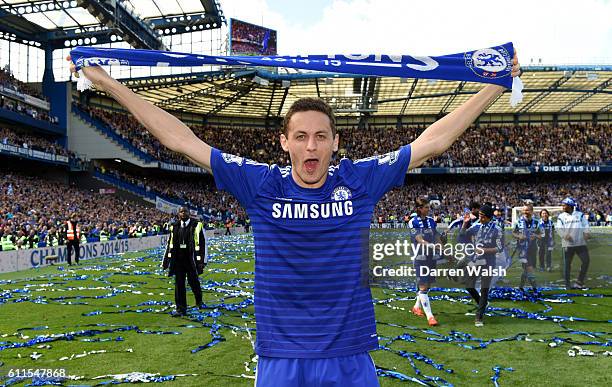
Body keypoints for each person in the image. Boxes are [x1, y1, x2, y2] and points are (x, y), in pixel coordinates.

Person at [69, 51, 519, 387]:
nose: (311, 147)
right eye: (300, 137)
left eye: (320, 137)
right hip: (281, 358)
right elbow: (180, 139)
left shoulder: (359, 180)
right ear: (284, 143)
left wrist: (494, 84)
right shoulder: (262, 184)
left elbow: (432, 142)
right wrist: (109, 84)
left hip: (350, 355)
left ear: (335, 142)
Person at [459, 204, 503, 327]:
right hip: (476, 261)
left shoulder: (497, 229)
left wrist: (484, 250)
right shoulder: (476, 226)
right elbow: (462, 237)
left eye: (482, 216)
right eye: (479, 215)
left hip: (489, 263)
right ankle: (482, 303)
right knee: (468, 285)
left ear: (488, 217)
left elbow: (499, 248)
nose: (480, 218)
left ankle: (479, 316)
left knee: (484, 289)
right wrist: (464, 223)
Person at [162, 207, 207, 316]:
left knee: (194, 282)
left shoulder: (197, 225)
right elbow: (170, 244)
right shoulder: (174, 226)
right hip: (178, 260)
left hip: (191, 259)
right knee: (179, 284)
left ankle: (199, 301)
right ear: (178, 214)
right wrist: (166, 261)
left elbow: (203, 244)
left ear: (189, 213)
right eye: (181, 212)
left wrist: (202, 261)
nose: (183, 213)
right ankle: (181, 308)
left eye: (185, 211)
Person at [409, 198, 441, 326]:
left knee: (427, 286)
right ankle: (430, 317)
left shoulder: (432, 221)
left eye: (428, 207)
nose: (428, 209)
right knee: (423, 286)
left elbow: (437, 236)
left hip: (431, 257)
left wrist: (441, 246)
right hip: (420, 257)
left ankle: (417, 307)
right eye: (426, 207)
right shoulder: (413, 222)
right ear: (419, 208)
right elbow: (418, 238)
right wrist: (431, 245)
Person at [556, 197, 590, 289]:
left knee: (586, 261)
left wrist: (586, 232)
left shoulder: (580, 214)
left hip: (580, 243)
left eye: (564, 205)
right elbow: (558, 228)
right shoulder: (561, 216)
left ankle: (579, 281)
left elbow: (585, 224)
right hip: (568, 244)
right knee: (567, 265)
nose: (562, 207)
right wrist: (564, 235)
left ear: (570, 206)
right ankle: (567, 285)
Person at [512, 204, 541, 291]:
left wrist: (535, 235)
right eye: (524, 210)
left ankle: (521, 286)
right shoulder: (519, 222)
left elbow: (541, 235)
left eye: (527, 210)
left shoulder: (536, 222)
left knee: (527, 268)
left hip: (533, 248)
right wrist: (519, 236)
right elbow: (513, 233)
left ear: (532, 211)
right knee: (528, 267)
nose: (525, 212)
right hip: (522, 249)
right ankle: (535, 287)